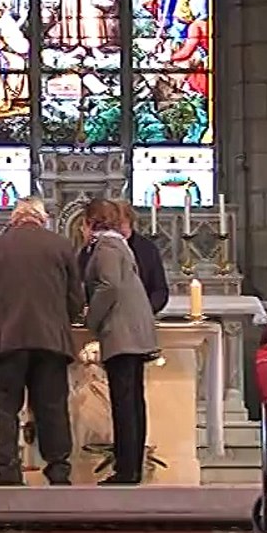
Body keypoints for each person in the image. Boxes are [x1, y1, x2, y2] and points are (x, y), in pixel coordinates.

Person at [0, 196, 84, 486]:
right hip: (50, 339)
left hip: (8, 339)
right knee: (52, 405)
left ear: (14, 219)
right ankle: (59, 468)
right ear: (43, 218)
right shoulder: (61, 246)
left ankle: (8, 469)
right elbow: (76, 298)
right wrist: (65, 316)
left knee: (7, 407)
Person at [82, 199, 160, 485]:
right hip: (133, 331)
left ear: (92, 222)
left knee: (124, 402)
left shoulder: (106, 247)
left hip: (121, 332)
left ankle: (127, 470)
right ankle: (132, 467)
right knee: (133, 402)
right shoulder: (120, 245)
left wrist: (92, 319)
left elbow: (109, 286)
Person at [78, 200, 169, 314]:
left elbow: (159, 290)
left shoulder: (147, 249)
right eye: (115, 225)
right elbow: (83, 283)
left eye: (122, 224)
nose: (118, 230)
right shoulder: (94, 248)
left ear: (130, 222)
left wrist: (145, 311)